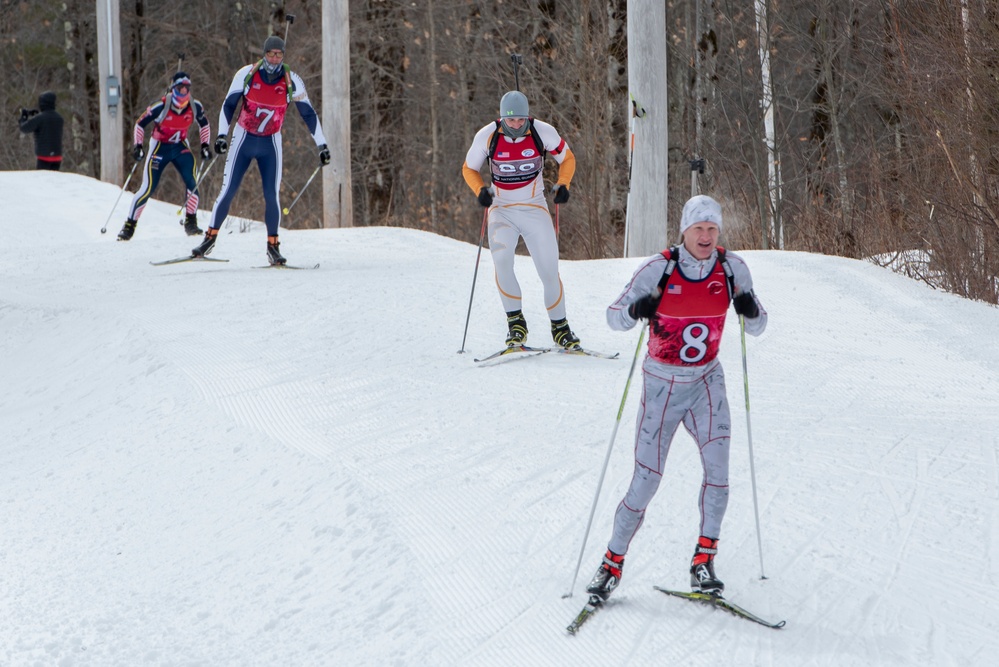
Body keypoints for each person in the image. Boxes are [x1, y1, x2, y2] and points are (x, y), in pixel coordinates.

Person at [585, 194, 768, 602]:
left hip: (707, 383)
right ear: (684, 230)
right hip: (662, 386)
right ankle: (611, 563)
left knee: (719, 474)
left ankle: (703, 562)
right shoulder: (659, 268)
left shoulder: (732, 268)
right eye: (698, 228)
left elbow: (759, 326)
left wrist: (749, 309)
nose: (705, 236)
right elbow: (613, 317)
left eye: (712, 228)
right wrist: (638, 309)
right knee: (646, 480)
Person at [191, 35, 330, 265]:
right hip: (243, 138)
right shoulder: (246, 74)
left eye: (279, 54)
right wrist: (222, 136)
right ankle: (209, 239)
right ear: (264, 54)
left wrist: (322, 145)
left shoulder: (291, 80)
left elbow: (309, 114)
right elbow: (228, 105)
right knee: (228, 190)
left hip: (270, 142)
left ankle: (273, 246)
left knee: (271, 195)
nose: (274, 59)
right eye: (270, 54)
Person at [462, 90, 580, 349]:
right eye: (510, 121)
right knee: (502, 262)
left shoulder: (542, 132)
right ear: (502, 118)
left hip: (534, 206)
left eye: (520, 120)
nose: (516, 126)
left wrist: (563, 184)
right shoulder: (487, 136)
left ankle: (560, 328)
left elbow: (567, 158)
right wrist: (480, 190)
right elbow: (469, 168)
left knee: (548, 269)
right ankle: (516, 326)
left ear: (528, 116)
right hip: (501, 208)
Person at [118, 72, 212, 241]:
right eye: (179, 88)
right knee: (148, 188)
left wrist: (205, 145)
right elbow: (140, 124)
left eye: (186, 88)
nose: (183, 92)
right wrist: (138, 146)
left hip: (180, 146)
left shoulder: (194, 105)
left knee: (192, 182)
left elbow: (204, 124)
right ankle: (129, 226)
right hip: (160, 147)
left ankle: (191, 223)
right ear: (173, 88)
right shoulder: (161, 105)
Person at [18, 91, 64, 171]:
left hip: (44, 157)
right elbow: (49, 124)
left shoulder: (40, 118)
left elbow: (24, 128)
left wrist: (24, 117)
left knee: (43, 181)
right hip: (57, 156)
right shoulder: (59, 118)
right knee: (54, 180)